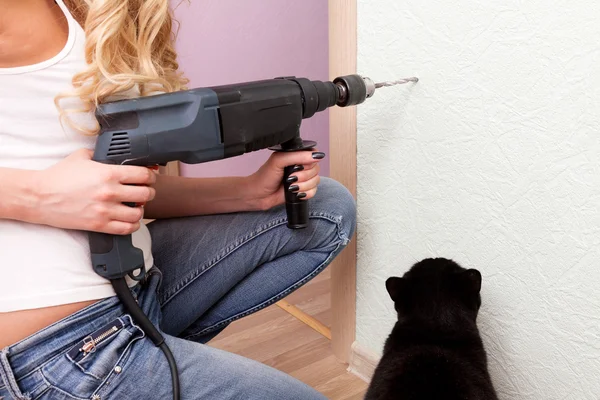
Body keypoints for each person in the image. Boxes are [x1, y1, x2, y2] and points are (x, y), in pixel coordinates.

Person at [0, 1, 356, 399]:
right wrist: (38, 196)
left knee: (325, 207)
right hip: (58, 348)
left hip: (135, 290)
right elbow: (65, 193)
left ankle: (154, 362)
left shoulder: (108, 12)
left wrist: (249, 193)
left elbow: (111, 188)